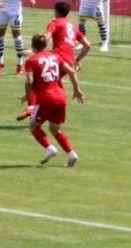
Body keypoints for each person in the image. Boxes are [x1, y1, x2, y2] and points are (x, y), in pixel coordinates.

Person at [17, 2, 92, 121]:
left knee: (33, 82)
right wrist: (76, 61)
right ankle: (48, 111)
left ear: (56, 11)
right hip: (68, 60)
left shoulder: (55, 22)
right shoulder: (72, 26)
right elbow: (88, 46)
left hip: (58, 58)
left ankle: (32, 109)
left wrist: (32, 49)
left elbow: (46, 37)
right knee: (53, 85)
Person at [24, 33, 84, 167]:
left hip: (44, 99)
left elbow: (30, 81)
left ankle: (49, 148)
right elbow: (72, 72)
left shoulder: (31, 60)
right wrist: (76, 90)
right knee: (55, 129)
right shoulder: (56, 57)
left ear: (33, 45)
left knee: (34, 126)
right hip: (60, 98)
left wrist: (29, 99)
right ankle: (71, 153)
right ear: (46, 45)